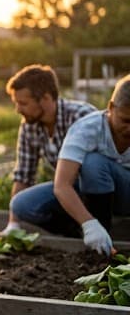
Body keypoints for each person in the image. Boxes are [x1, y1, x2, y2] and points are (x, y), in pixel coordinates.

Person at [3, 65, 96, 236]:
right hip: (67, 190)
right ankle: (75, 234)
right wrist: (13, 224)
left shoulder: (81, 116)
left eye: (23, 103)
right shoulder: (29, 126)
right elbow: (24, 174)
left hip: (99, 189)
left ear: (45, 98)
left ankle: (98, 225)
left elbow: (106, 166)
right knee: (21, 205)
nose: (18, 109)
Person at [53, 74, 130, 257]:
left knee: (95, 164)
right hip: (95, 192)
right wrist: (89, 224)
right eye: (125, 121)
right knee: (24, 204)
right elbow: (62, 185)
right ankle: (98, 236)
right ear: (111, 108)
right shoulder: (87, 128)